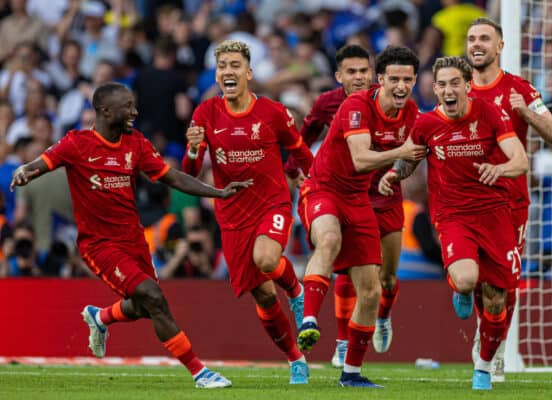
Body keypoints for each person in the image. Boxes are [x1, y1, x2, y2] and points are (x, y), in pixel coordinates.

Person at [10, 82, 252, 389]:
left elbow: (171, 176)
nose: (134, 112)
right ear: (106, 111)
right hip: (100, 245)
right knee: (153, 297)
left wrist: (217, 192)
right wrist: (25, 170)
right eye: (127, 106)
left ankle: (102, 317)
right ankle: (200, 373)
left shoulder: (135, 143)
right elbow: (43, 162)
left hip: (133, 240)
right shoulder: (77, 143)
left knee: (143, 307)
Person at [379, 56, 529, 390]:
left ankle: (484, 367)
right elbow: (409, 159)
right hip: (453, 216)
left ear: (467, 85)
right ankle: (461, 288)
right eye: (442, 84)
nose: (448, 90)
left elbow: (519, 159)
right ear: (435, 89)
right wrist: (393, 174)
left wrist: (500, 169)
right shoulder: (427, 124)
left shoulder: (490, 114)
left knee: (496, 299)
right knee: (466, 280)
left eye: (454, 83)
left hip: (495, 213)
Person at [181, 40, 313, 385]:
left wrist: (315, 183)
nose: (228, 70)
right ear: (217, 72)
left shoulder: (272, 112)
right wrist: (194, 148)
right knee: (264, 296)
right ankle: (294, 358)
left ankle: (296, 291)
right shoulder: (205, 113)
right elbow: (191, 172)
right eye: (222, 65)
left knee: (267, 260)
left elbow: (299, 151)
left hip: (271, 202)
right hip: (232, 213)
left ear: (249, 73)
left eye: (235, 65)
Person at [296, 45, 426, 388]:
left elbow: (411, 157)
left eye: (407, 79)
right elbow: (358, 159)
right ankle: (308, 318)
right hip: (324, 188)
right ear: (380, 79)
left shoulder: (411, 112)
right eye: (394, 78)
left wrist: (397, 171)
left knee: (371, 290)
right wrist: (401, 153)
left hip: (358, 198)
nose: (401, 85)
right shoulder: (356, 105)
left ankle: (350, 374)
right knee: (329, 238)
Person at [466, 17, 552, 382]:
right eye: (472, 38)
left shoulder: (519, 88)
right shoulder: (459, 89)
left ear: (500, 46)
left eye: (485, 39)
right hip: (468, 202)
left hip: (510, 201)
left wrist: (524, 111)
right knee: (473, 277)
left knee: (503, 283)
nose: (477, 44)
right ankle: (486, 337)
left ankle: (496, 348)